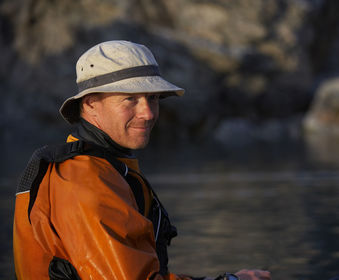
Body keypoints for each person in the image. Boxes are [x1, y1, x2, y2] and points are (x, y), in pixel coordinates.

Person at [13, 40, 272, 280]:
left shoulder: (103, 169)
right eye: (130, 99)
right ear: (91, 104)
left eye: (153, 98)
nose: (148, 113)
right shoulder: (83, 180)